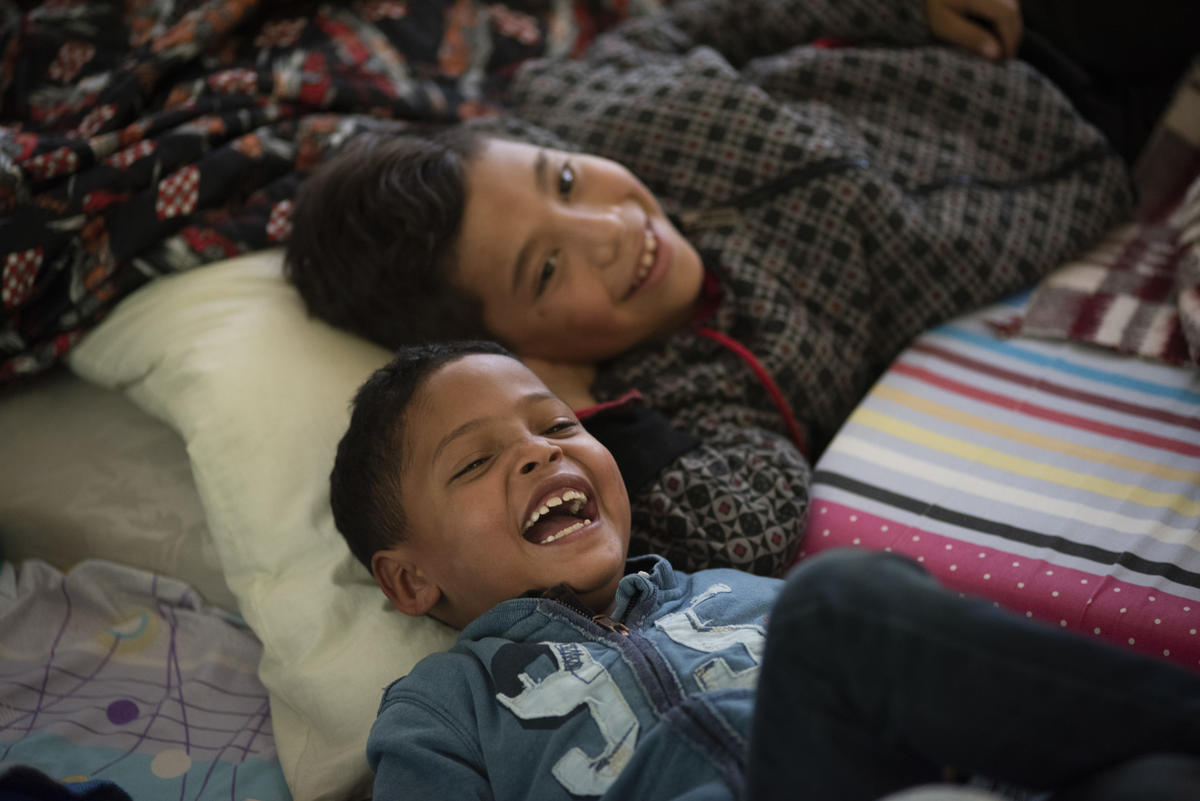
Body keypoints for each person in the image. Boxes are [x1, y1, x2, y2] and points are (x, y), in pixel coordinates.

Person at [288, 0, 1154, 574]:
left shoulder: (588, 98)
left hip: (1009, 33)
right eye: (547, 271)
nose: (612, 227)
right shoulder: (699, 385)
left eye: (564, 181)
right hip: (1107, 164)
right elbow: (750, 516)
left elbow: (736, 10)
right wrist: (604, 414)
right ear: (523, 348)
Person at [331, 339, 1200, 801]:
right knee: (838, 604)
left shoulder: (729, 590)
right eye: (475, 463)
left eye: (557, 427)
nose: (536, 455)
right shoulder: (441, 708)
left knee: (1157, 782)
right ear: (408, 580)